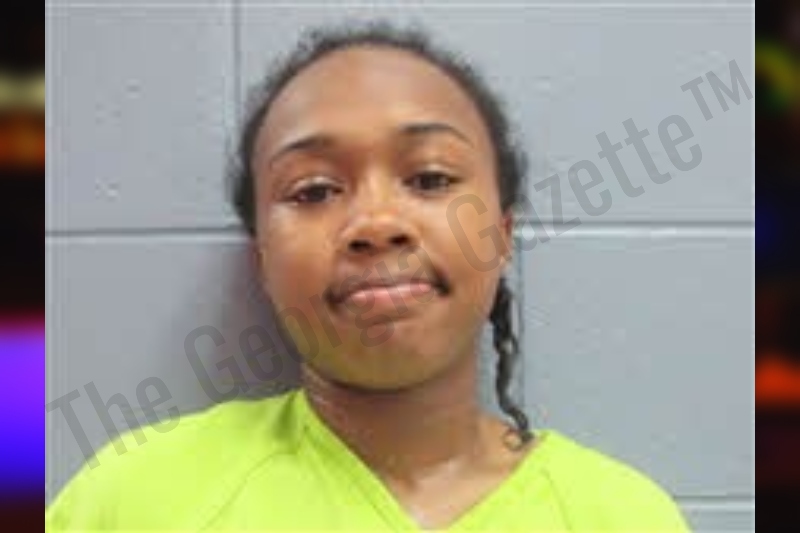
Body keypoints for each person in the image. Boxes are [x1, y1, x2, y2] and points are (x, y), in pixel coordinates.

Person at [46, 21, 691, 532]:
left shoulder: (623, 517)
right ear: (262, 260)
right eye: (314, 190)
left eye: (430, 178)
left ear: (501, 235)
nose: (377, 224)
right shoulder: (135, 501)